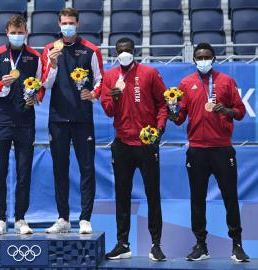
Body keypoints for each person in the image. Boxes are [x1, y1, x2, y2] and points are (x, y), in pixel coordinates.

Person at [170, 43, 249, 262]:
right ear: (194, 60)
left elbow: (240, 112)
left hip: (222, 148)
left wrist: (226, 110)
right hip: (197, 150)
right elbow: (179, 119)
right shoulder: (186, 83)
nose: (203, 60)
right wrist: (171, 112)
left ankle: (237, 245)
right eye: (199, 57)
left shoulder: (226, 81)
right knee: (197, 199)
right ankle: (201, 245)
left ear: (213, 59)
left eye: (206, 56)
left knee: (230, 198)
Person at [100, 37, 168, 261]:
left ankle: (156, 244)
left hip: (146, 143)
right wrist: (114, 98)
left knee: (152, 194)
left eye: (127, 50)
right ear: (116, 53)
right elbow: (108, 111)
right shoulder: (110, 77)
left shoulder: (149, 73)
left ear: (134, 51)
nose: (124, 53)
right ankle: (122, 243)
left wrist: (158, 131)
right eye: (120, 51)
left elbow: (163, 104)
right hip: (122, 144)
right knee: (122, 195)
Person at [41, 7, 103, 234]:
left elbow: (100, 81)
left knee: (87, 168)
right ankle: (63, 217)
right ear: (59, 25)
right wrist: (53, 64)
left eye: (71, 23)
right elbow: (45, 84)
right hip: (57, 119)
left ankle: (85, 218)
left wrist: (94, 94)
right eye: (64, 23)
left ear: (77, 24)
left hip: (82, 118)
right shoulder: (49, 50)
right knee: (60, 168)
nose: (68, 26)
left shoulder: (91, 50)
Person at [0, 15, 45, 235]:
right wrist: (2, 84)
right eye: (14, 32)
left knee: (24, 171)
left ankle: (21, 218)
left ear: (26, 32)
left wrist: (36, 97)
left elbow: (40, 86)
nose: (17, 36)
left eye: (21, 32)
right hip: (1, 118)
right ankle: (0, 218)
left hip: (25, 119)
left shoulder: (35, 57)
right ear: (6, 32)